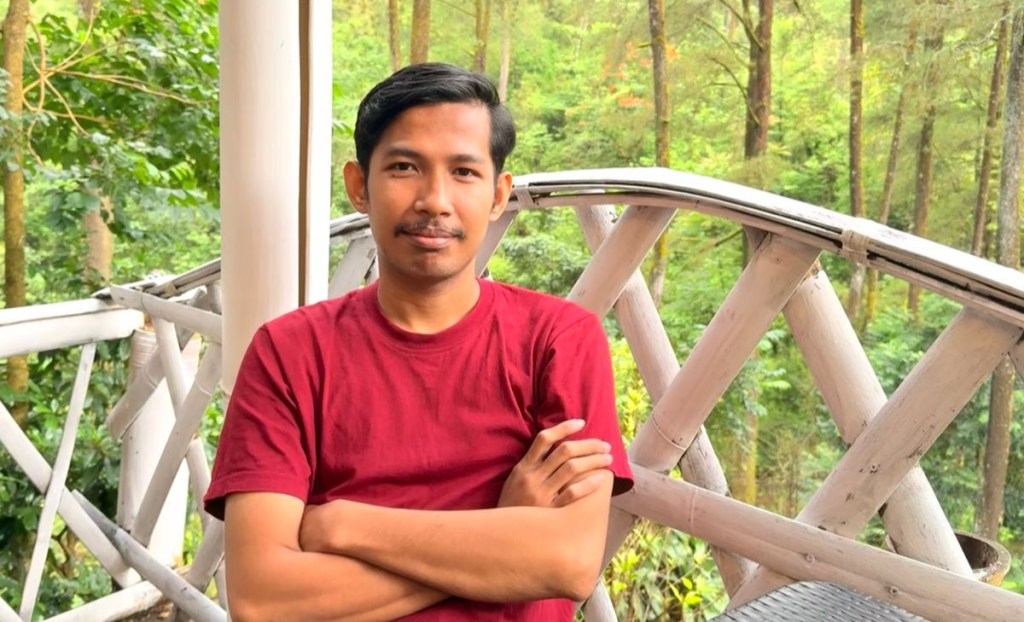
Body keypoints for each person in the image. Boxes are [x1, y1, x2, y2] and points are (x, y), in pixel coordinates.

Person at [204, 62, 633, 622]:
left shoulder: (557, 340)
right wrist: (499, 533)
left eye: (464, 172)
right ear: (359, 186)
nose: (434, 200)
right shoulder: (289, 353)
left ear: (499, 194)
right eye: (404, 167)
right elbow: (263, 599)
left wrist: (341, 524)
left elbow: (569, 562)